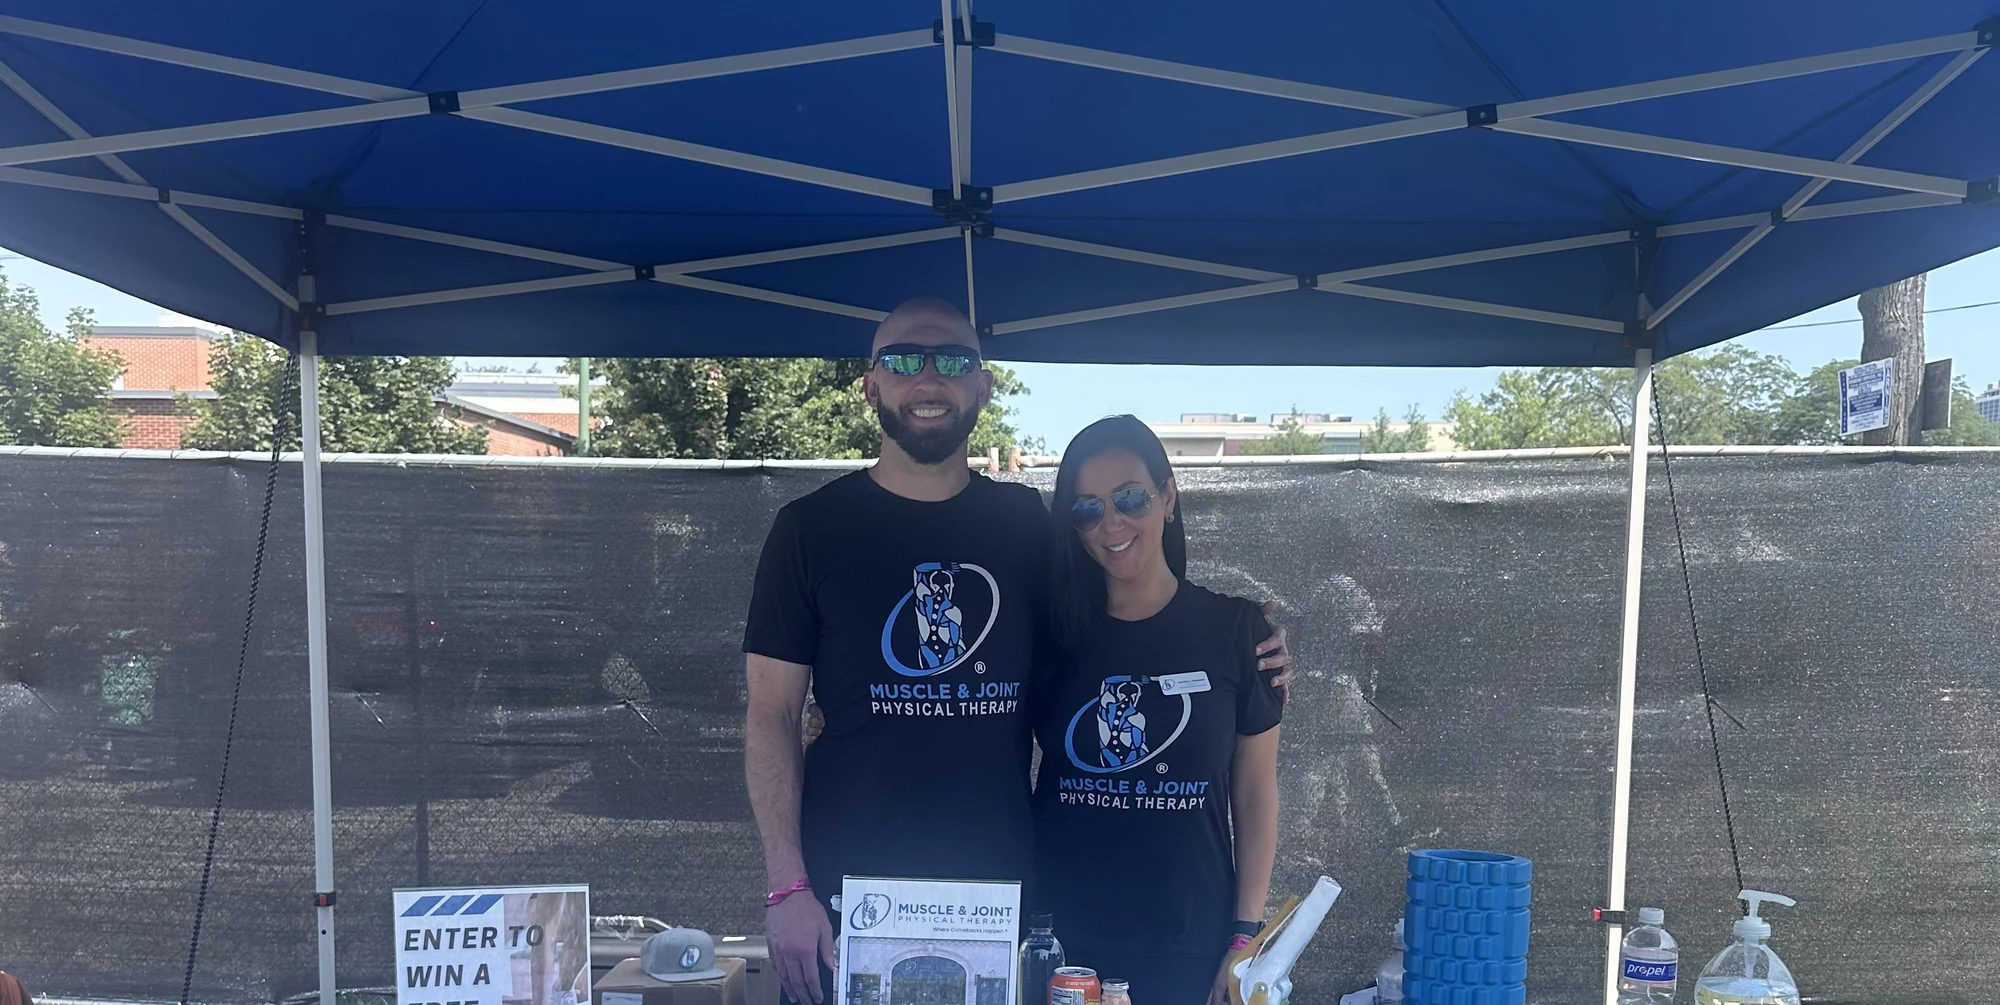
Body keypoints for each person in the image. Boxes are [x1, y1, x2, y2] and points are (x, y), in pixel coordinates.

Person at [742, 299, 1292, 1005]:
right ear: (871, 385)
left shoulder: (1028, 526)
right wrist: (787, 886)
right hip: (849, 895)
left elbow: (1129, 620)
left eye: (953, 359)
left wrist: (1246, 644)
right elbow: (772, 714)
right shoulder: (808, 530)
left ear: (983, 385)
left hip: (999, 899)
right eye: (904, 359)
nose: (929, 377)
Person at [1030, 416, 1282, 1005]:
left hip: (1190, 946)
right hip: (1063, 947)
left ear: (1167, 497)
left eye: (1130, 498)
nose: (1111, 523)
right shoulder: (1048, 636)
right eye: (1087, 509)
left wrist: (1245, 934)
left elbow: (1254, 794)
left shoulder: (1237, 632)